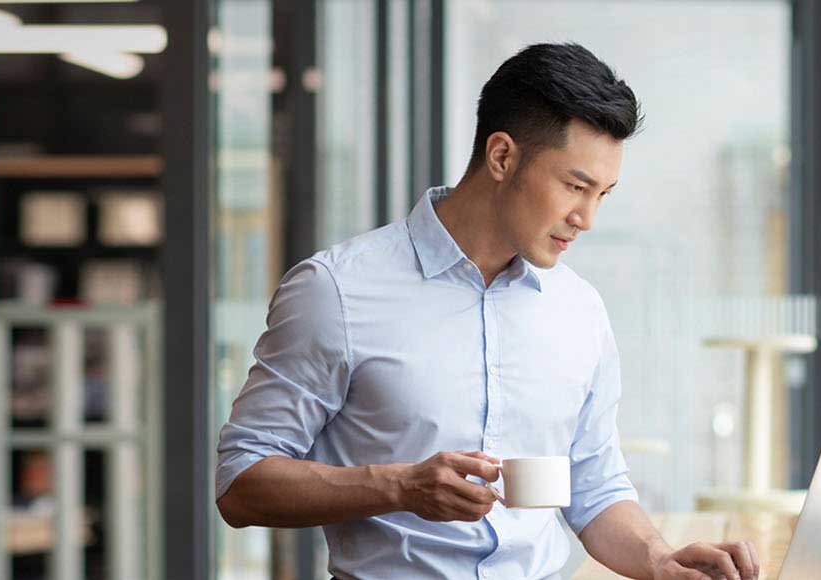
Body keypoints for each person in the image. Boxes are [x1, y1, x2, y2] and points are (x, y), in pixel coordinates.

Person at [214, 42, 759, 580]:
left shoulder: (580, 311)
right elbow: (240, 484)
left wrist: (661, 560)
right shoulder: (335, 291)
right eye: (576, 186)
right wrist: (397, 487)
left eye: (603, 194)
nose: (586, 218)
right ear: (502, 157)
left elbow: (595, 487)